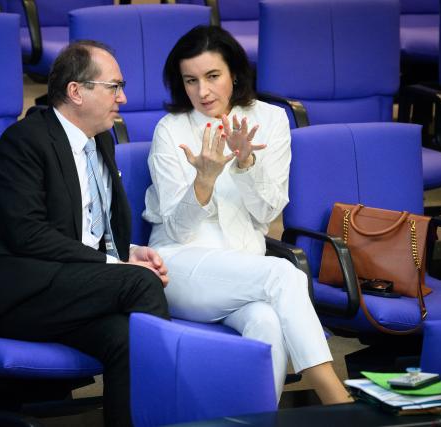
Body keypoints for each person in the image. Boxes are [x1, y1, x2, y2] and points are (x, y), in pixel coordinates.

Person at [0, 40, 170, 426]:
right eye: (114, 86)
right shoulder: (25, 141)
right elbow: (27, 234)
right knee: (141, 285)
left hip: (70, 286)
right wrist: (116, 266)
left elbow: (91, 224)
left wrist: (130, 251)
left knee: (125, 338)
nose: (123, 98)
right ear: (76, 91)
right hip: (19, 293)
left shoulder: (101, 138)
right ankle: (176, 413)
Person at [142, 25, 352, 404]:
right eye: (190, 81)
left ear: (234, 74)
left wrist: (246, 162)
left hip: (243, 270)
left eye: (212, 76)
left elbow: (268, 211)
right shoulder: (170, 130)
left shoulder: (269, 120)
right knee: (282, 272)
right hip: (178, 267)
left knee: (267, 323)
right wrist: (203, 181)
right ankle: (336, 397)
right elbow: (176, 227)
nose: (202, 92)